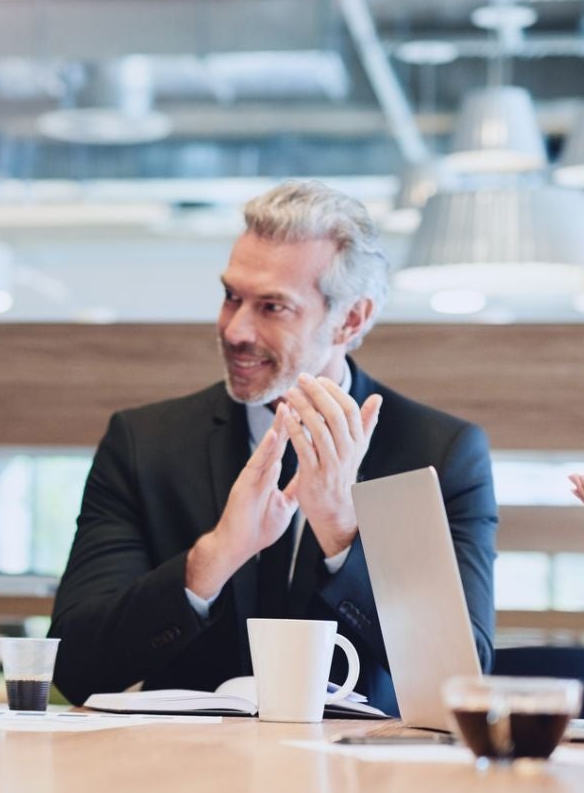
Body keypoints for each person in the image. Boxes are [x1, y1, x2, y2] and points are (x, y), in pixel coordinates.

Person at [50, 180, 496, 712]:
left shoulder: (440, 453)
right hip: (182, 773)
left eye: (272, 308)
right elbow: (73, 668)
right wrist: (215, 556)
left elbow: (459, 682)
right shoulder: (145, 444)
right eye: (231, 297)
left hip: (363, 777)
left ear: (350, 320)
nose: (236, 330)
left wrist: (342, 537)